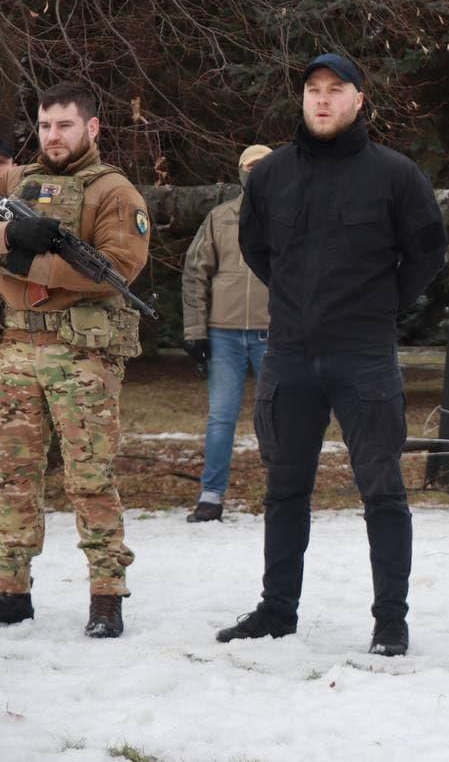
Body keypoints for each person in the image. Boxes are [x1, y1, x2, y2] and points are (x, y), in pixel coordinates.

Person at [215, 54, 446, 656]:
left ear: (358, 100)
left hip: (364, 356)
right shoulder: (270, 176)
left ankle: (390, 621)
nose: (322, 99)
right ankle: (276, 611)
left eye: (335, 90)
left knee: (383, 491)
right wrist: (298, 304)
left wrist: (379, 306)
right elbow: (257, 249)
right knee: (284, 490)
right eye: (312, 90)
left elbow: (427, 252)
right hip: (288, 355)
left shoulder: (395, 175)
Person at [0, 81, 150, 638]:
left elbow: (113, 267)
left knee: (90, 477)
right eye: (44, 126)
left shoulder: (114, 193)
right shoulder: (17, 181)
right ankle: (10, 588)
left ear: (92, 128)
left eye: (64, 125)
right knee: (11, 476)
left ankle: (106, 594)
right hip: (16, 349)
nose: (53, 136)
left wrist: (20, 261)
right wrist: (13, 232)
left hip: (82, 356)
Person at [181, 144, 273, 523]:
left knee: (277, 416)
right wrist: (194, 330)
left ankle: (283, 491)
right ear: (240, 173)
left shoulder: (292, 216)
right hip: (224, 335)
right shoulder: (220, 218)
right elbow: (195, 273)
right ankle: (211, 494)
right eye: (250, 167)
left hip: (274, 333)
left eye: (264, 167)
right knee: (221, 417)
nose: (256, 173)